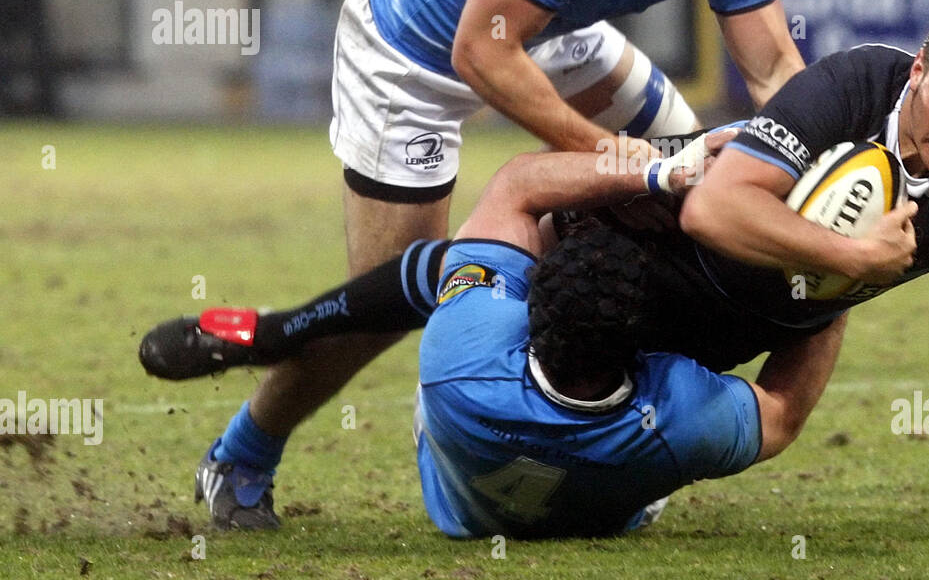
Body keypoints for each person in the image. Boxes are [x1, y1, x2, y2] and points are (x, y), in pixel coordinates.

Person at [229, 0, 805, 495]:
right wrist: (623, 161)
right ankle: (241, 455)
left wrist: (819, 165)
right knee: (387, 300)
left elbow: (772, 69)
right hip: (410, 55)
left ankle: (612, 415)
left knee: (688, 206)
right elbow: (480, 54)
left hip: (550, 35)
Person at [144, 132, 850, 537]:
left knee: (461, 261)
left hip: (455, 455)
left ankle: (272, 344)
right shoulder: (683, 415)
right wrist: (833, 269)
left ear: (530, 319)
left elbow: (518, 182)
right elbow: (782, 410)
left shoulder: (464, 355)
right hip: (608, 493)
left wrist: (659, 170)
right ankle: (273, 339)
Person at [679, 0, 929, 504]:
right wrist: (852, 256)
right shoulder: (854, 86)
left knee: (768, 427)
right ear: (918, 71)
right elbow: (711, 210)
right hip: (661, 256)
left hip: (771, 322)